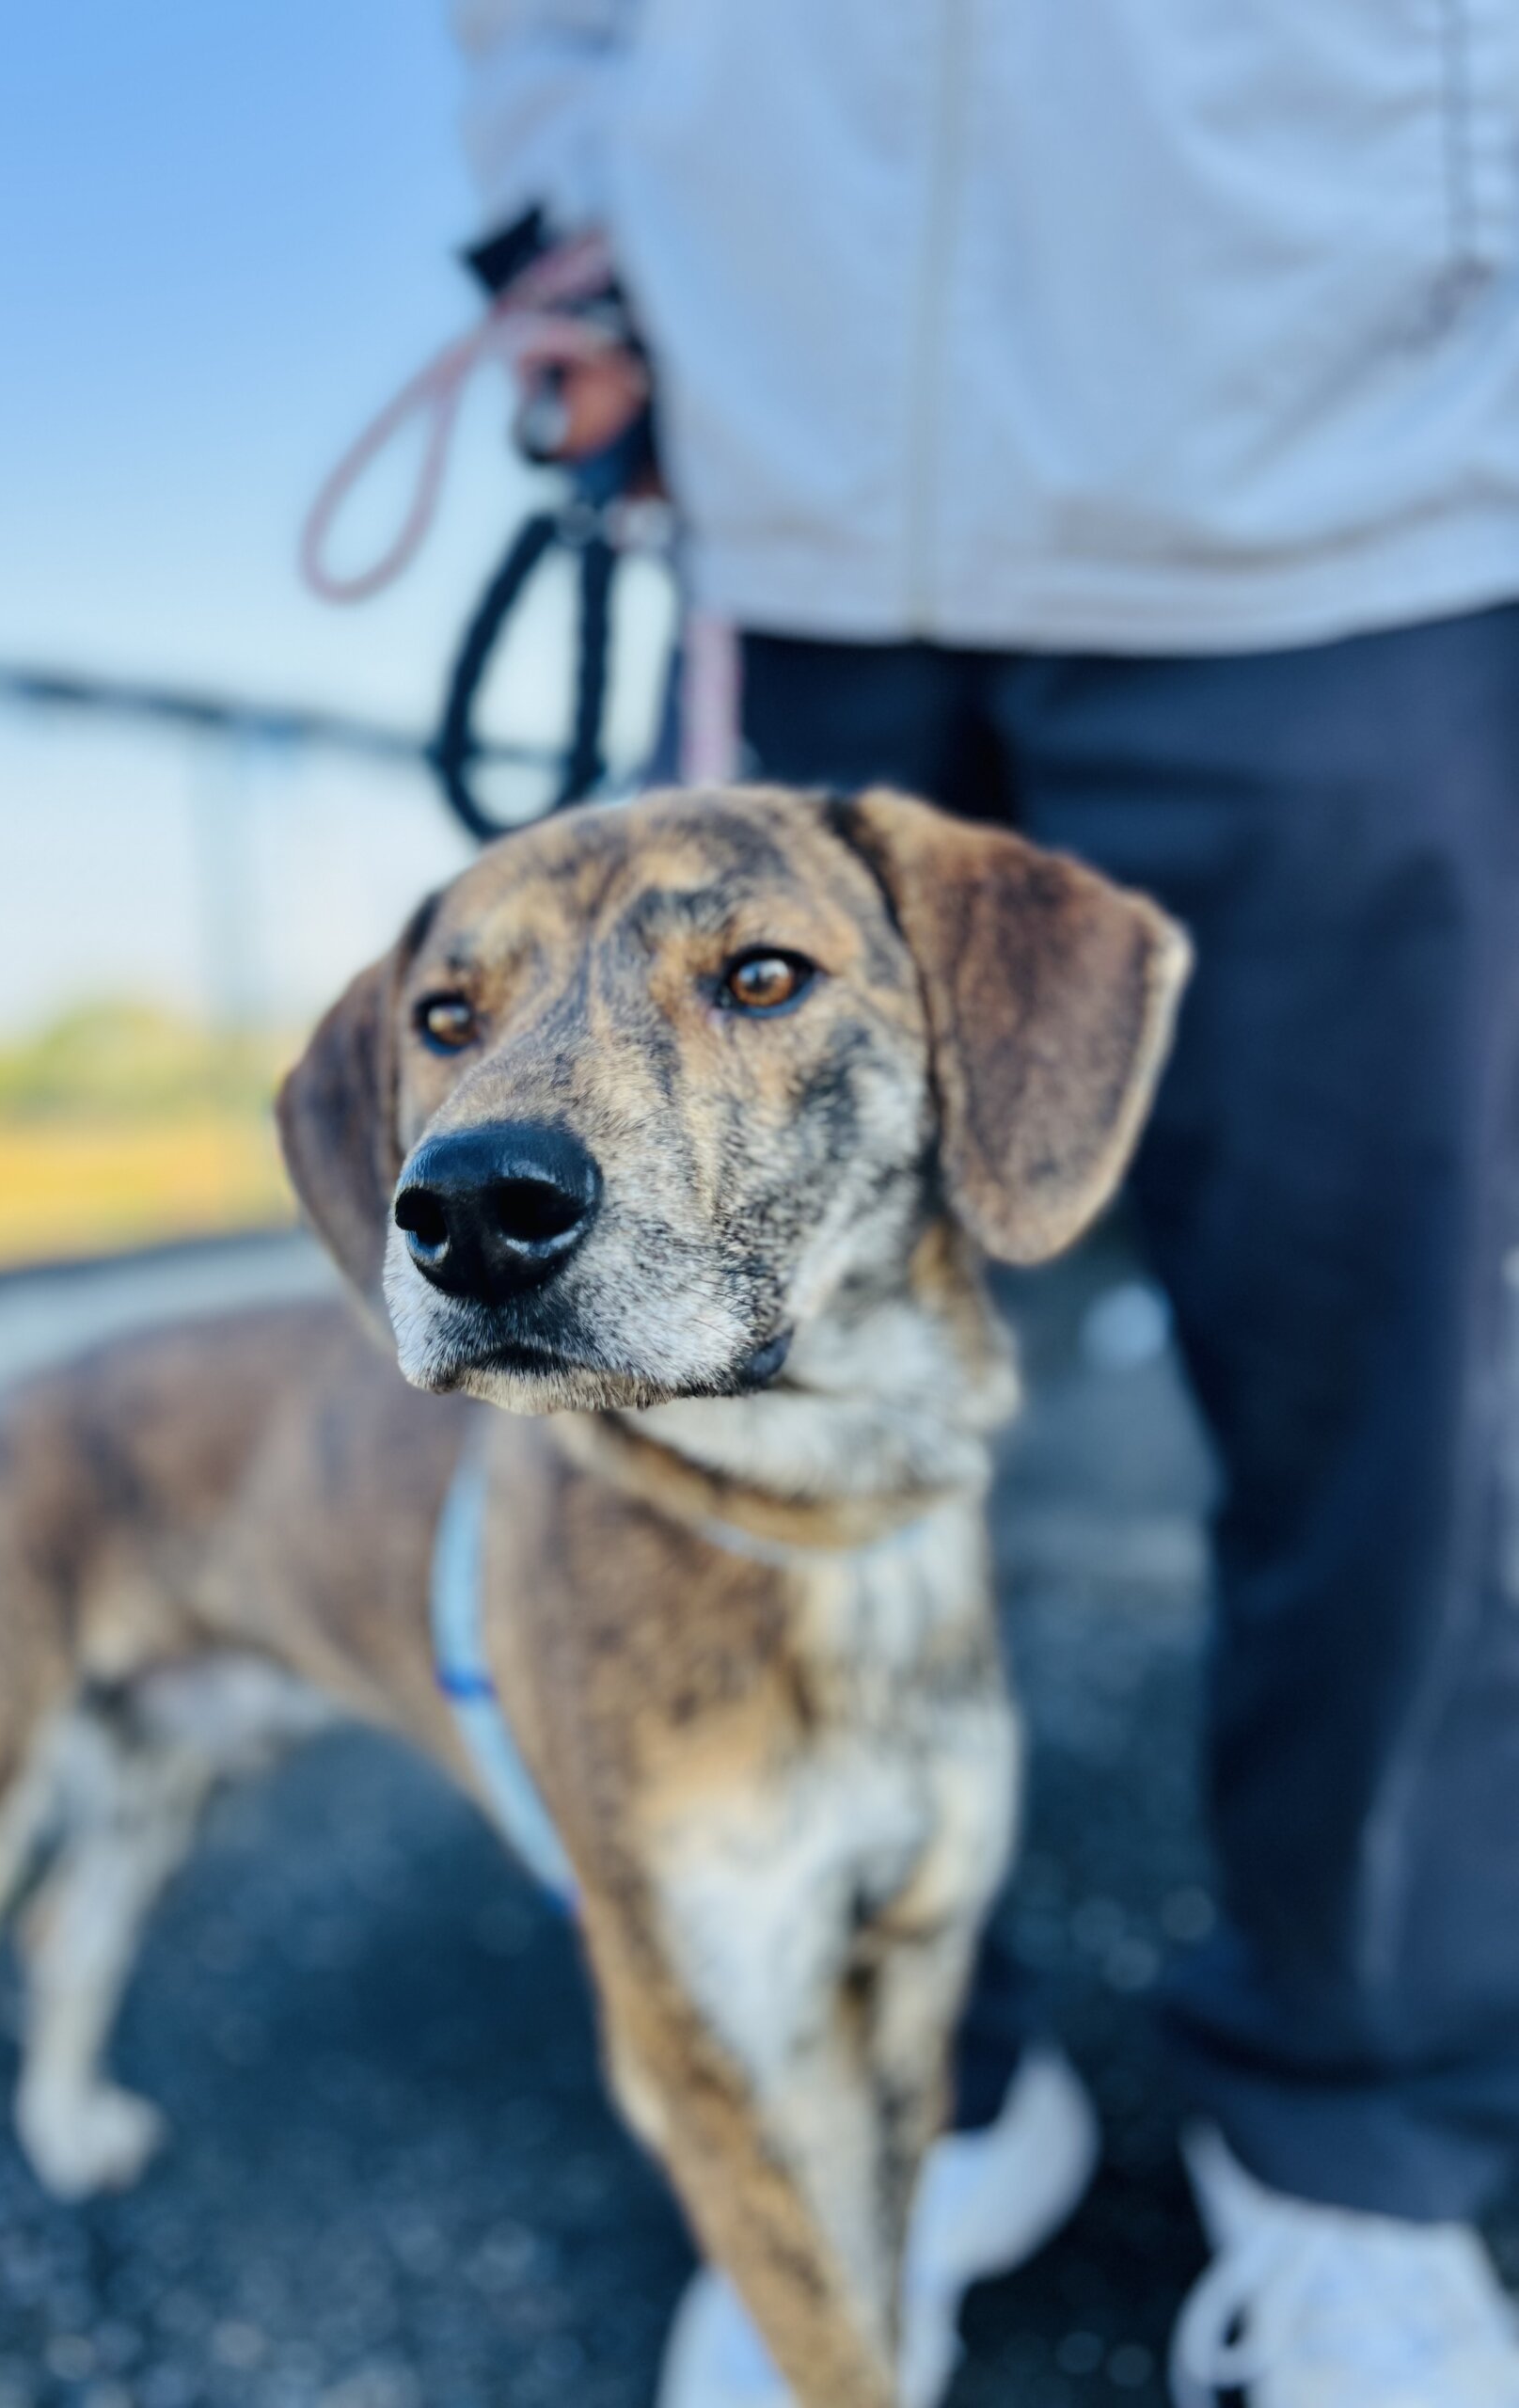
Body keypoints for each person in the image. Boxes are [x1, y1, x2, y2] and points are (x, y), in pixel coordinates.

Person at [448, 7, 1519, 2406]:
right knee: (729, 1383)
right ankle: (900, 2103)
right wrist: (567, 198)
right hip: (794, 470)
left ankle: (1355, 2146)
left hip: (1337, 476)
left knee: (1384, 1388)